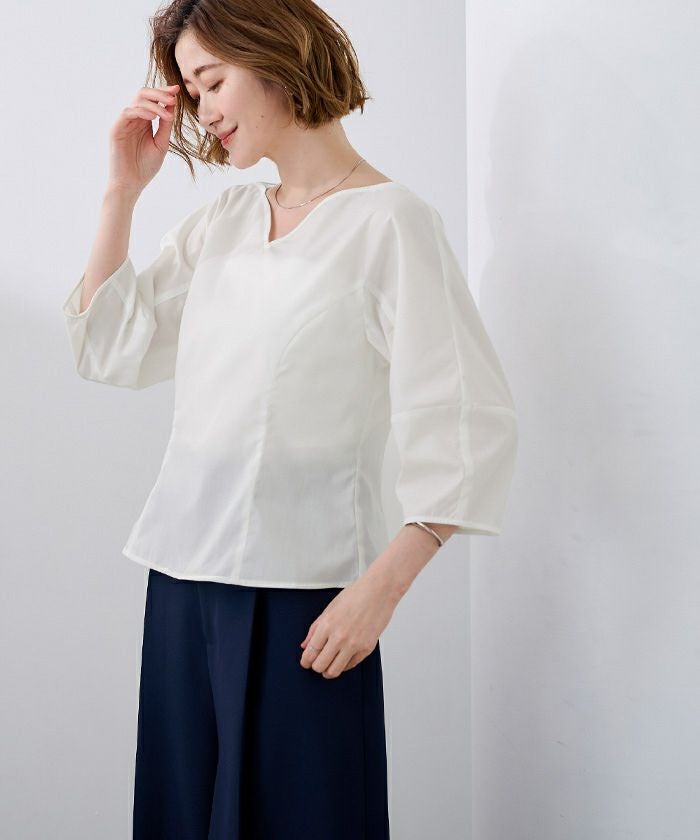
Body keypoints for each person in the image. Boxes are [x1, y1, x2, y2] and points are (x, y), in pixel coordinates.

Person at [60, 0, 518, 837]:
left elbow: (465, 420)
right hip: (182, 585)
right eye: (192, 90)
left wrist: (379, 591)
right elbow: (112, 346)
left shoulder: (392, 224)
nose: (203, 111)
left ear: (275, 55)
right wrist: (120, 192)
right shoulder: (225, 222)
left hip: (306, 601)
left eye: (212, 82)